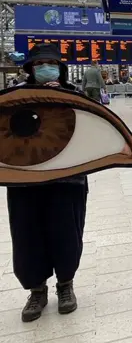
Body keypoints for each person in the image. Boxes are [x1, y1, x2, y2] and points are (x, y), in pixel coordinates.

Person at [8, 43, 89, 322]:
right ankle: (36, 290)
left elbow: (92, 128)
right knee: (27, 234)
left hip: (67, 178)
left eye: (51, 63)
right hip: (24, 179)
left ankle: (65, 285)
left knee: (67, 231)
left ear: (60, 68)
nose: (46, 68)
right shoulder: (15, 97)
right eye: (40, 63)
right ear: (30, 68)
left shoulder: (74, 95)